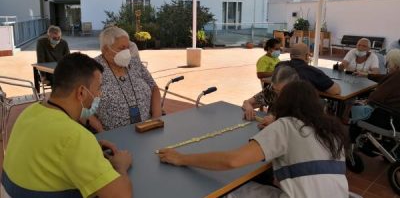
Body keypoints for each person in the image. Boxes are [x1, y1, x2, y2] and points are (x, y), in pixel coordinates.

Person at [159, 81, 348, 198]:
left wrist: (181, 158)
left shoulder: (285, 126)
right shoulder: (332, 132)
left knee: (228, 190)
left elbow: (232, 161)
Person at [2, 53, 132, 197]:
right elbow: (121, 195)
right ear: (82, 92)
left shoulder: (30, 112)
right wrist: (121, 166)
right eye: (98, 88)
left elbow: (51, 152)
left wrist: (89, 152)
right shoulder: (74, 136)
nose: (100, 94)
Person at [88, 26, 161, 132]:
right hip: (112, 134)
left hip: (147, 127)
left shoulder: (134, 63)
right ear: (106, 49)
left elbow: (153, 87)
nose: (126, 52)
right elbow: (81, 106)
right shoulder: (92, 68)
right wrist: (101, 131)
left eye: (128, 47)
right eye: (121, 48)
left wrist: (156, 118)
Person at [349, 49, 400, 141]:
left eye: (387, 63)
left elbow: (376, 98)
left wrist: (366, 101)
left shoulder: (397, 75)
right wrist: (367, 75)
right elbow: (385, 78)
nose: (387, 66)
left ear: (393, 63)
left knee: (352, 109)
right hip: (395, 116)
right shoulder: (396, 75)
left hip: (390, 120)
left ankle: (350, 144)